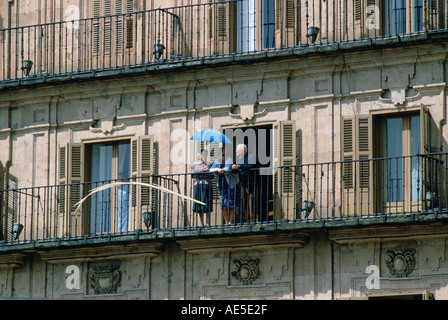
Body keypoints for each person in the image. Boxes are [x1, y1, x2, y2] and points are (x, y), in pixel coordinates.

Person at [210, 148, 240, 224]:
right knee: (223, 205)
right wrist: (217, 169)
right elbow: (211, 170)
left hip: (230, 185)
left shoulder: (229, 160)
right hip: (221, 186)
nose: (225, 156)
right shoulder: (217, 161)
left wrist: (220, 170)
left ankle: (230, 222)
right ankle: (226, 222)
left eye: (226, 154)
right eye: (223, 154)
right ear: (219, 155)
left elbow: (227, 168)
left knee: (231, 204)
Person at [232, 144, 257, 222]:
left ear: (244, 152)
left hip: (251, 182)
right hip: (242, 183)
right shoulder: (238, 160)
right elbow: (235, 169)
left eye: (238, 152)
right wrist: (233, 167)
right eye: (236, 152)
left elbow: (250, 166)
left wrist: (239, 166)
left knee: (251, 201)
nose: (237, 154)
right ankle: (246, 218)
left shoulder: (251, 157)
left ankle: (252, 219)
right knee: (244, 201)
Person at [191, 149, 213, 226]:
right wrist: (201, 170)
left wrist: (208, 171)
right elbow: (192, 175)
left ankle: (207, 223)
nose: (204, 156)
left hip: (207, 184)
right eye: (203, 155)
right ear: (200, 155)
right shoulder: (194, 164)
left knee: (207, 204)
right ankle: (201, 223)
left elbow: (212, 176)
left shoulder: (209, 164)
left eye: (205, 155)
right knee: (199, 205)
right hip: (198, 185)